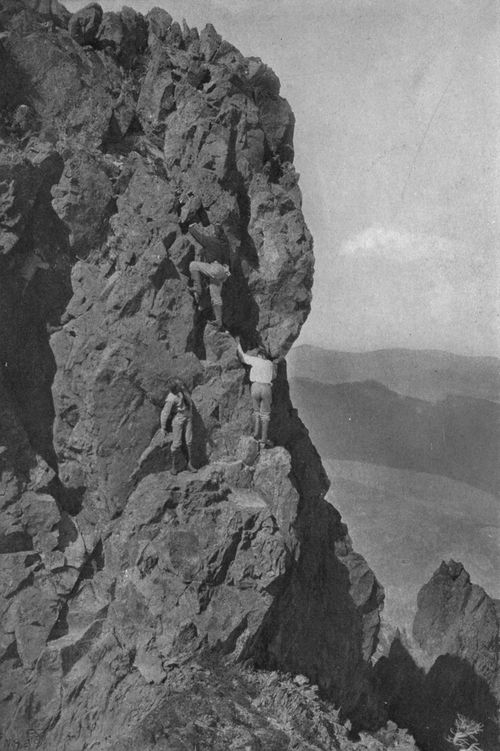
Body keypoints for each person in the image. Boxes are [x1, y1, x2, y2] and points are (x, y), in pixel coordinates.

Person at [188, 223, 230, 330]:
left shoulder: (211, 241)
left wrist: (191, 228)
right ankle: (219, 321)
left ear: (215, 234)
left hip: (215, 268)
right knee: (215, 296)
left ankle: (198, 288)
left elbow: (199, 237)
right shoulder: (224, 243)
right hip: (223, 272)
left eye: (213, 231)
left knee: (193, 265)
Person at [236, 337, 277, 448]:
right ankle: (263, 440)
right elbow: (273, 376)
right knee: (266, 415)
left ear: (259, 355)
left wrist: (238, 344)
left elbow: (242, 357)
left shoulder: (255, 360)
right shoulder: (270, 363)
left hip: (255, 387)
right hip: (266, 387)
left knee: (256, 412)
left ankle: (255, 434)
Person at [160, 379, 195, 475]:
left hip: (188, 415)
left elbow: (190, 402)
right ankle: (174, 466)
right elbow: (165, 412)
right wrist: (163, 427)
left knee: (189, 441)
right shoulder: (171, 398)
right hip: (179, 418)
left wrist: (184, 390)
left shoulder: (182, 391)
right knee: (177, 443)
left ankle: (189, 464)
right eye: (177, 387)